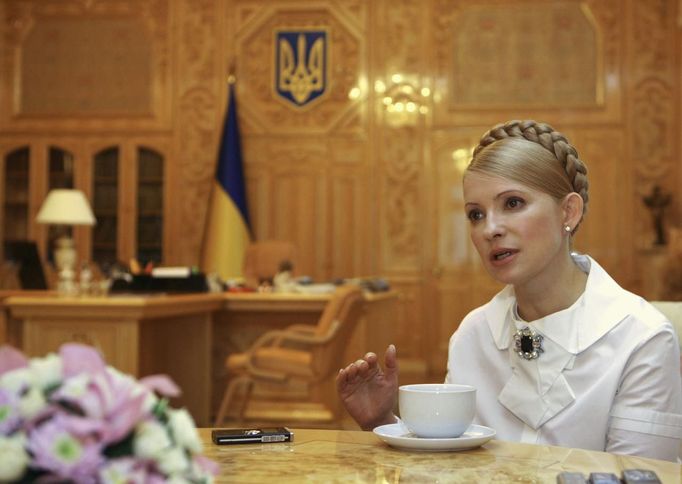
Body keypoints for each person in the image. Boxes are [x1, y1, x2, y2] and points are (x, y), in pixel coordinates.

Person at [336, 120, 682, 462]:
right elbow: (450, 469)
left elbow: (642, 474)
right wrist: (381, 422)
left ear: (569, 212)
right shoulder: (473, 334)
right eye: (476, 214)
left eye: (513, 203)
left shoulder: (642, 338)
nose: (490, 229)